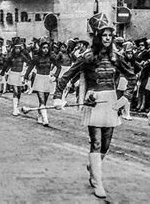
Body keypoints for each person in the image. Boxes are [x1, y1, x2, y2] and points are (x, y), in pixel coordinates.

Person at [53, 13, 132, 199]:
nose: (107, 38)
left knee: (106, 144)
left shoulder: (116, 57)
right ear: (97, 37)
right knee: (96, 142)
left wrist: (125, 98)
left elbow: (132, 77)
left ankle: (93, 165)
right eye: (103, 35)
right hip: (93, 100)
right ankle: (98, 181)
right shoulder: (87, 57)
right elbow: (67, 75)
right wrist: (57, 97)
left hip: (112, 100)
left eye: (110, 35)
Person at [24, 40, 60, 126]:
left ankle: (40, 115)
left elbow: (59, 67)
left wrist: (55, 76)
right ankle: (45, 119)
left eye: (47, 48)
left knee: (45, 100)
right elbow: (30, 67)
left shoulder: (51, 57)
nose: (45, 50)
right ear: (40, 48)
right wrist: (25, 76)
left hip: (47, 79)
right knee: (42, 99)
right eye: (43, 48)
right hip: (39, 79)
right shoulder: (36, 58)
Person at [1, 39, 30, 116]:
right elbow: (6, 64)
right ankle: (14, 108)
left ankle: (17, 107)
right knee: (15, 91)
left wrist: (25, 51)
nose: (17, 50)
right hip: (13, 74)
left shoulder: (23, 56)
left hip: (20, 75)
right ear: (14, 48)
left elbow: (29, 61)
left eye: (19, 48)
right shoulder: (11, 56)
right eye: (16, 48)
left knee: (19, 92)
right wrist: (3, 72)